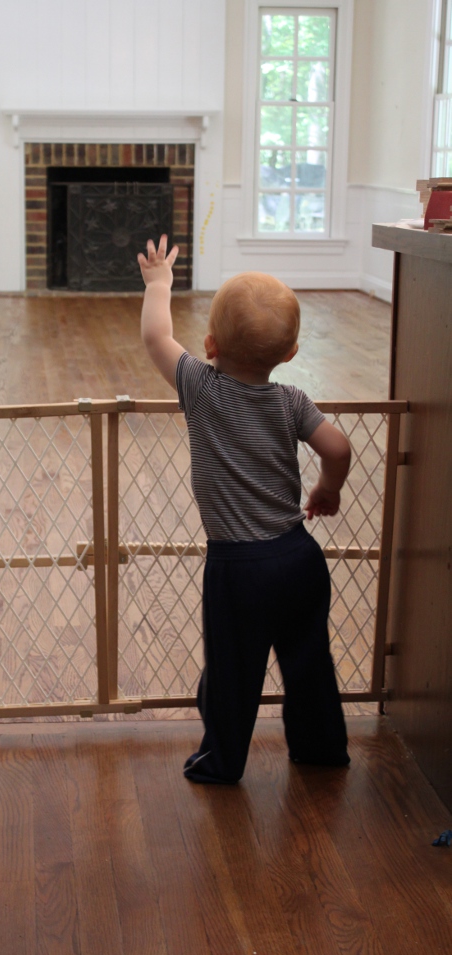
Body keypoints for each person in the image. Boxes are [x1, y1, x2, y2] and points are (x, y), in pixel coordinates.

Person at [138, 235, 351, 784]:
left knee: (234, 672)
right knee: (309, 661)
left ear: (209, 344)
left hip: (239, 567)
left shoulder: (201, 388)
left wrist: (159, 283)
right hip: (298, 555)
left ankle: (222, 762)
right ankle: (323, 748)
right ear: (290, 355)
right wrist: (328, 490)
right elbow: (338, 448)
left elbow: (156, 336)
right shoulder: (291, 400)